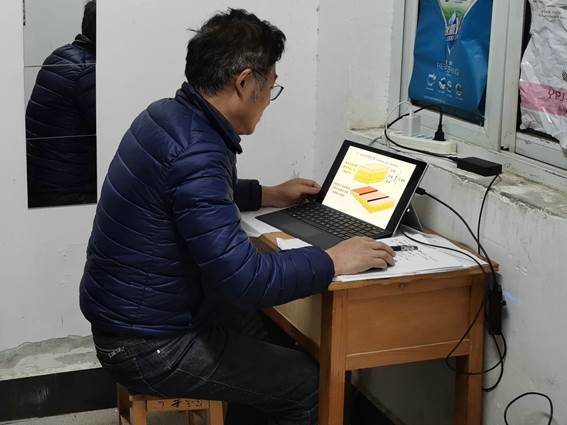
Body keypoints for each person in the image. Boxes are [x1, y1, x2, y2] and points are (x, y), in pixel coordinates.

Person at [79, 9, 395, 425]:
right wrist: (333, 260)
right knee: (310, 385)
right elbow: (243, 279)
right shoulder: (198, 150)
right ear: (244, 83)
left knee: (274, 338)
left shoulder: (169, 117)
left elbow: (193, 196)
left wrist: (268, 194)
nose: (268, 102)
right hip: (147, 345)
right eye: (271, 88)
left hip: (134, 317)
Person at [26, 0, 97, 208]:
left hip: (42, 180)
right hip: (69, 190)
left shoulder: (59, 55)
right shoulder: (90, 70)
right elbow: (109, 133)